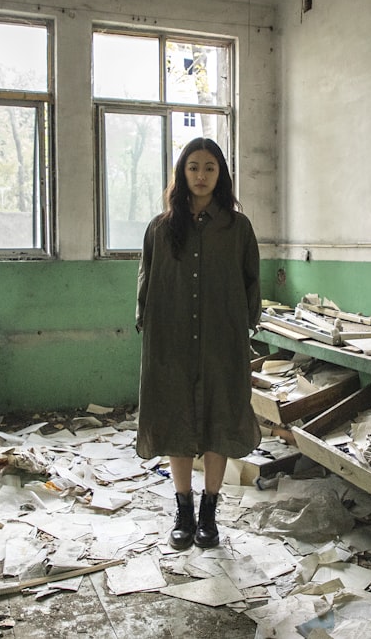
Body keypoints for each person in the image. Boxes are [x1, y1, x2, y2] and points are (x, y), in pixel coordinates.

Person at [135, 137, 262, 550]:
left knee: (218, 421)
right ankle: (183, 509)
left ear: (220, 173)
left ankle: (210, 512)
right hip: (171, 342)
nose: (201, 175)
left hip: (221, 342)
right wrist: (146, 322)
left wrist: (246, 327)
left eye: (209, 167)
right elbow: (146, 280)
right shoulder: (161, 227)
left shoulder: (238, 228)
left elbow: (250, 284)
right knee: (176, 421)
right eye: (193, 167)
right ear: (181, 173)